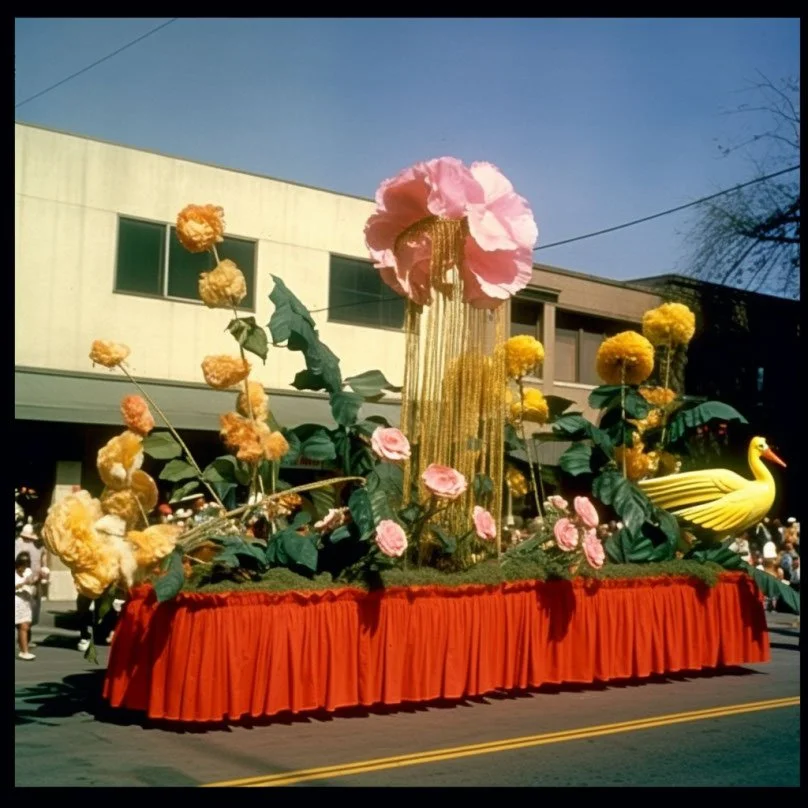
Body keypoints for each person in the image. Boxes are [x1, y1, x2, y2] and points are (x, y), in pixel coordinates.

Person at [15, 522, 47, 631]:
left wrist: (43, 573)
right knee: (23, 616)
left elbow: (42, 563)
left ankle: (25, 640)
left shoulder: (40, 546)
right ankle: (24, 642)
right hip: (21, 583)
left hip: (35, 583)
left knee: (32, 613)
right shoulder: (18, 544)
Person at [15, 552, 38, 660]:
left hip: (25, 602)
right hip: (16, 602)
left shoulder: (28, 572)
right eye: (21, 566)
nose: (23, 569)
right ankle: (24, 650)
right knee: (23, 626)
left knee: (24, 626)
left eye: (25, 565)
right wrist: (23, 583)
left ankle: (24, 651)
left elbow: (33, 581)